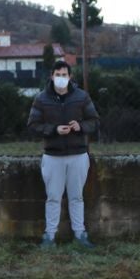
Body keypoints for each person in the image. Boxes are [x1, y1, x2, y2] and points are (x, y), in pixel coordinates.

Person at [27, 60, 99, 248]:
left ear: (70, 77)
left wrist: (80, 126)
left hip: (78, 155)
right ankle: (49, 236)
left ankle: (80, 234)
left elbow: (94, 121)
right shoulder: (41, 99)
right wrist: (53, 130)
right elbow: (33, 125)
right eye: (58, 74)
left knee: (77, 196)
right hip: (52, 156)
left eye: (64, 75)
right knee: (53, 197)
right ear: (52, 76)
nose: (61, 78)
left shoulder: (81, 97)